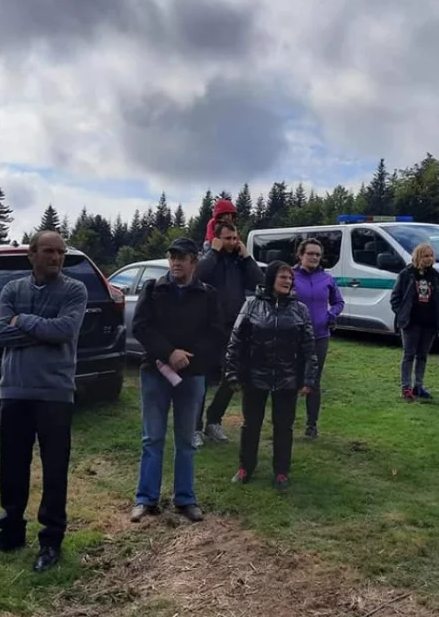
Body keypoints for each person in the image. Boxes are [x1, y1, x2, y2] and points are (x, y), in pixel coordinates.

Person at [0, 231, 88, 573]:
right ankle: (10, 533)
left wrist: (22, 320)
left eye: (61, 253)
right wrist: (43, 331)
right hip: (14, 390)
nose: (56, 258)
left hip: (55, 392)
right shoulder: (12, 290)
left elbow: (64, 331)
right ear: (32, 254)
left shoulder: (75, 290)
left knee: (54, 470)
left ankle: (51, 541)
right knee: (12, 466)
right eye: (49, 251)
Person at [130, 237, 223, 523]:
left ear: (194, 261)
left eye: (182, 258)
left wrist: (188, 358)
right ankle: (146, 499)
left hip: (192, 375)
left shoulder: (208, 295)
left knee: (186, 439)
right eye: (172, 257)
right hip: (155, 371)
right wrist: (169, 353)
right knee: (152, 438)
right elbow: (141, 327)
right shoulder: (153, 289)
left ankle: (185, 499)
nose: (175, 263)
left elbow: (216, 333)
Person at [225, 261, 317, 489]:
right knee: (251, 424)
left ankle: (281, 472)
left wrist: (309, 378)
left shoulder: (300, 309)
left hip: (287, 377)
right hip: (255, 375)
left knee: (284, 427)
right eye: (283, 277)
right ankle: (245, 467)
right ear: (271, 279)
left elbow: (308, 347)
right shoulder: (251, 305)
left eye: (290, 278)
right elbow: (236, 341)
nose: (287, 281)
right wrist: (232, 372)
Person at [194, 221, 264, 446]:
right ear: (217, 239)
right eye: (228, 238)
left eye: (235, 238)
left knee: (231, 376)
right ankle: (194, 427)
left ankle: (214, 420)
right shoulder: (208, 258)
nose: (232, 242)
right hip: (209, 327)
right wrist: (214, 253)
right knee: (202, 378)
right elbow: (199, 275)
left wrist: (247, 257)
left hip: (234, 327)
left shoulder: (239, 262)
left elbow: (259, 282)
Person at [292, 238, 344, 439]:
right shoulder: (291, 275)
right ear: (301, 255)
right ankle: (286, 421)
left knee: (314, 380)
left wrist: (331, 315)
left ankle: (311, 425)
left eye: (317, 254)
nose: (314, 257)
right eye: (310, 253)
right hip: (295, 336)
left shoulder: (327, 279)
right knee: (293, 378)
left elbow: (338, 302)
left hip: (320, 336)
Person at [390, 244, 439, 401]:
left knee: (422, 355)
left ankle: (418, 386)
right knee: (409, 354)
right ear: (418, 257)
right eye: (425, 256)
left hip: (429, 323)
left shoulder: (436, 277)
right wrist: (402, 313)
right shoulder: (407, 274)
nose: (429, 259)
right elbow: (395, 297)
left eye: (431, 256)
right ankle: (406, 387)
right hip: (411, 322)